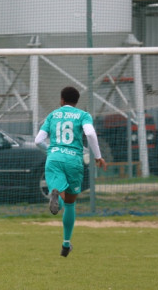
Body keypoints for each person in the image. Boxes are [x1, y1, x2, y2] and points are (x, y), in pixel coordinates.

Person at [34, 86, 107, 257]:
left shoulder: (52, 115)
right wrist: (98, 156)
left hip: (54, 160)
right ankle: (66, 244)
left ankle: (55, 197)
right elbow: (90, 134)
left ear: (61, 100)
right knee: (70, 203)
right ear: (77, 101)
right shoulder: (83, 115)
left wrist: (51, 151)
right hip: (74, 160)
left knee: (60, 194)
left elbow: (38, 141)